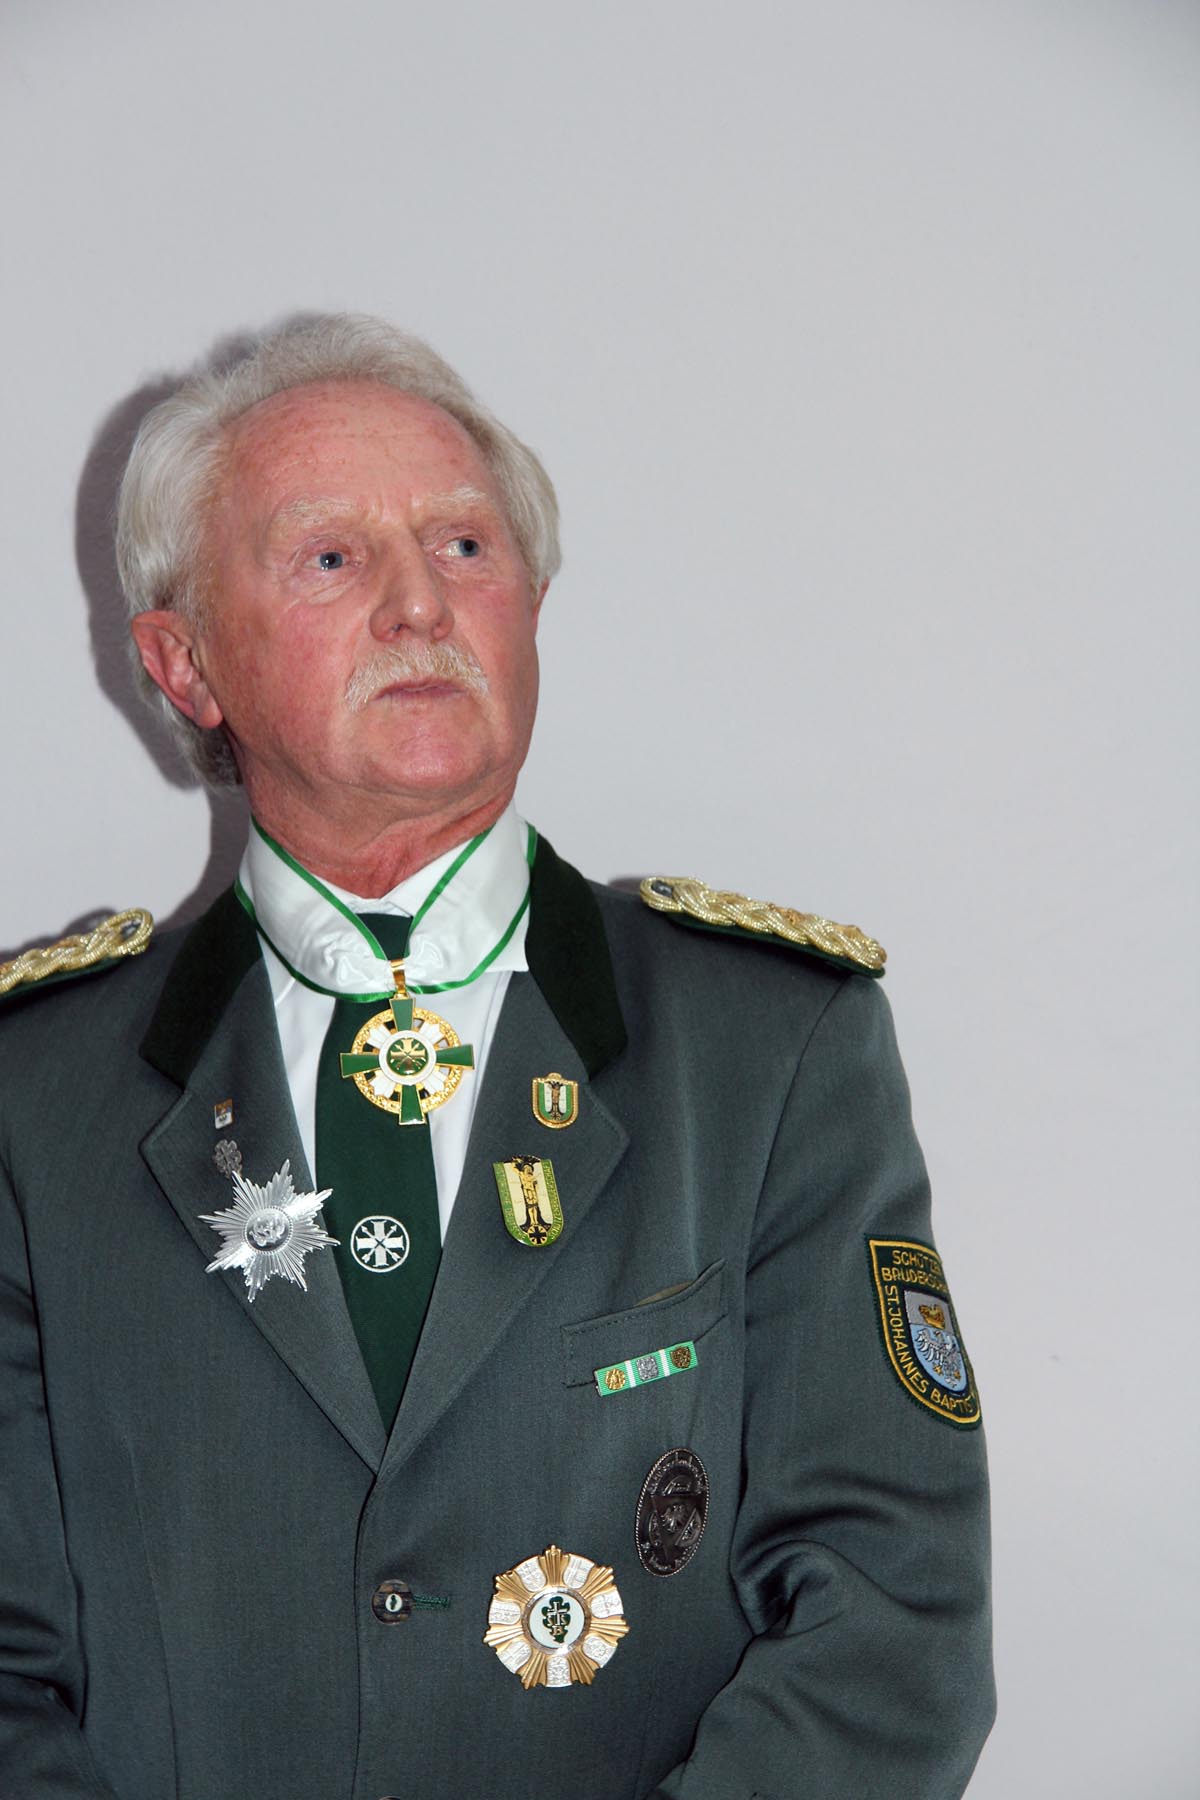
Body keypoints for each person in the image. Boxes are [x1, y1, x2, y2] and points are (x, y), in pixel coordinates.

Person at [0, 315, 994, 1799]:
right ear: (183, 663)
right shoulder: (36, 1100)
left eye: (464, 545)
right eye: (331, 557)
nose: (419, 604)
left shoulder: (771, 1049)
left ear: (528, 602)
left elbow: (893, 1618)